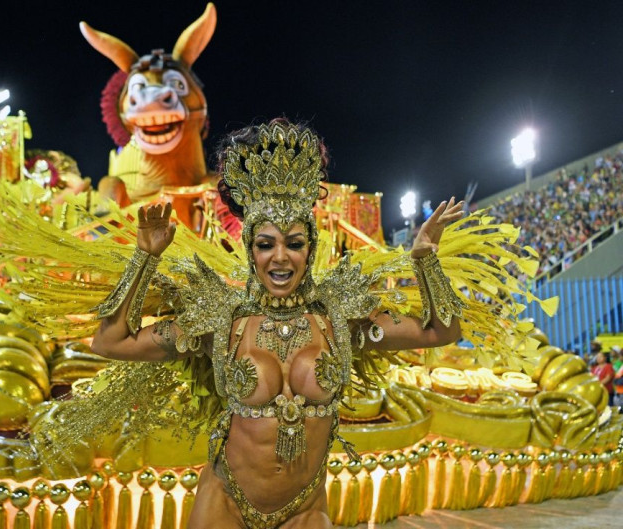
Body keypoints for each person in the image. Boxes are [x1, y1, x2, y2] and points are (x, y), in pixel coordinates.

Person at [89, 120, 465, 528]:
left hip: (304, 510)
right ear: (251, 249)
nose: (281, 258)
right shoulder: (221, 319)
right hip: (225, 503)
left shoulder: (341, 318)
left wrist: (426, 258)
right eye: (266, 244)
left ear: (311, 248)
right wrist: (145, 257)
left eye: (295, 243)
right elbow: (110, 342)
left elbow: (441, 332)